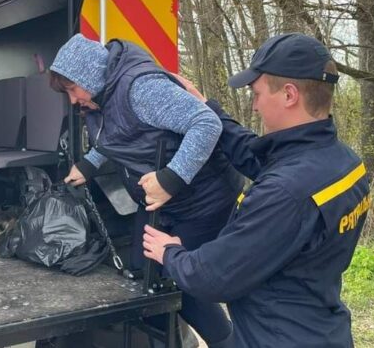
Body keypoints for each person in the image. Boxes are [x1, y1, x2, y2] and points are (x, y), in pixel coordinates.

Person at [142, 33, 371, 348]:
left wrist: (170, 253)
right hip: (321, 327)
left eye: (258, 93)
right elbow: (256, 155)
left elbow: (214, 277)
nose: (254, 105)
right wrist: (209, 111)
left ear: (289, 95)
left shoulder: (286, 193)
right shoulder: (344, 163)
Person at [49, 34, 242, 347]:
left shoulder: (141, 89)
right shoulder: (101, 97)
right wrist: (88, 165)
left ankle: (228, 342)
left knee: (183, 278)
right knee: (143, 273)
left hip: (203, 199)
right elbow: (117, 137)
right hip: (160, 201)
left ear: (89, 75)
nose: (72, 100)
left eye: (72, 89)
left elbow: (207, 124)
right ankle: (172, 339)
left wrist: (170, 180)